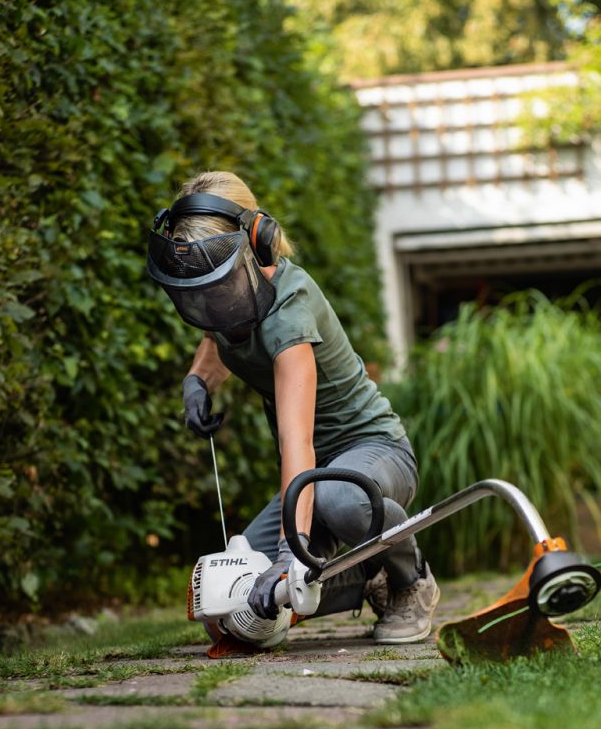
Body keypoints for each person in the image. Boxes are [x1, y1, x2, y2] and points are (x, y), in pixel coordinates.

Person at [147, 170, 439, 643]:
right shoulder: (230, 294)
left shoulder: (289, 307)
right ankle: (367, 576)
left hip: (375, 451)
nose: (209, 299)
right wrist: (198, 381)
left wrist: (290, 553)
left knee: (337, 500)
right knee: (229, 601)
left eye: (215, 282)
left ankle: (410, 580)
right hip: (315, 474)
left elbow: (296, 443)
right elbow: (215, 336)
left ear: (255, 242)